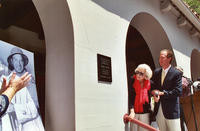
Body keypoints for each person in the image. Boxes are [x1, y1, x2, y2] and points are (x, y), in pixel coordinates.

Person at [1, 47, 44, 131]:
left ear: (24, 62)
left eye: (21, 60)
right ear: (11, 62)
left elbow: (35, 104)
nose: (19, 64)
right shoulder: (6, 80)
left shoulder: (30, 80)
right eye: (16, 60)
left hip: (30, 125)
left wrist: (15, 108)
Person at [151, 49, 182, 131]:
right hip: (159, 110)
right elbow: (152, 86)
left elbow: (178, 91)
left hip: (172, 111)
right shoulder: (156, 72)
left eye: (162, 57)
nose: (160, 60)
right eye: (159, 57)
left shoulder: (176, 73)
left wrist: (162, 93)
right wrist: (153, 92)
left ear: (169, 58)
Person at [128, 64, 153, 131]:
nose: (138, 75)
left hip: (145, 112)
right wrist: (132, 110)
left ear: (146, 75)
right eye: (137, 72)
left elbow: (156, 92)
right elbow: (130, 96)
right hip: (134, 112)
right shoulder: (132, 80)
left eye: (141, 73)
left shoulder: (150, 83)